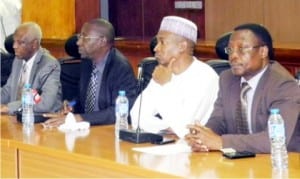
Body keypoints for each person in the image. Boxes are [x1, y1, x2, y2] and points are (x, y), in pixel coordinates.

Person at [185, 23, 300, 153]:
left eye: (241, 49)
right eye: (230, 50)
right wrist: (203, 138)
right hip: (240, 161)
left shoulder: (282, 85)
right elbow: (218, 121)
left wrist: (220, 142)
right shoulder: (227, 79)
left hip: (282, 162)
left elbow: (275, 140)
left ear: (263, 51)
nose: (233, 56)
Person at [130, 16, 219, 138]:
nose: (156, 48)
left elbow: (186, 129)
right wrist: (168, 127)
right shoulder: (163, 72)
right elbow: (137, 116)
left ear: (182, 46)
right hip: (166, 144)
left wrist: (165, 85)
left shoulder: (205, 77)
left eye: (162, 42)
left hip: (197, 153)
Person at [43, 18, 137, 127]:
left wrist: (80, 118)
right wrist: (72, 105)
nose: (78, 42)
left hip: (107, 132)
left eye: (84, 38)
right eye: (80, 37)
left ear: (102, 41)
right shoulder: (87, 62)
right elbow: (83, 98)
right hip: (86, 129)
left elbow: (117, 111)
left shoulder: (120, 68)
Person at [0, 22, 62, 114]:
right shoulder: (18, 60)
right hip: (17, 118)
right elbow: (7, 91)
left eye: (20, 42)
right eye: (14, 41)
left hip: (42, 121)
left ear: (34, 44)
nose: (14, 46)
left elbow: (44, 103)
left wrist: (9, 108)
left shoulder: (49, 64)